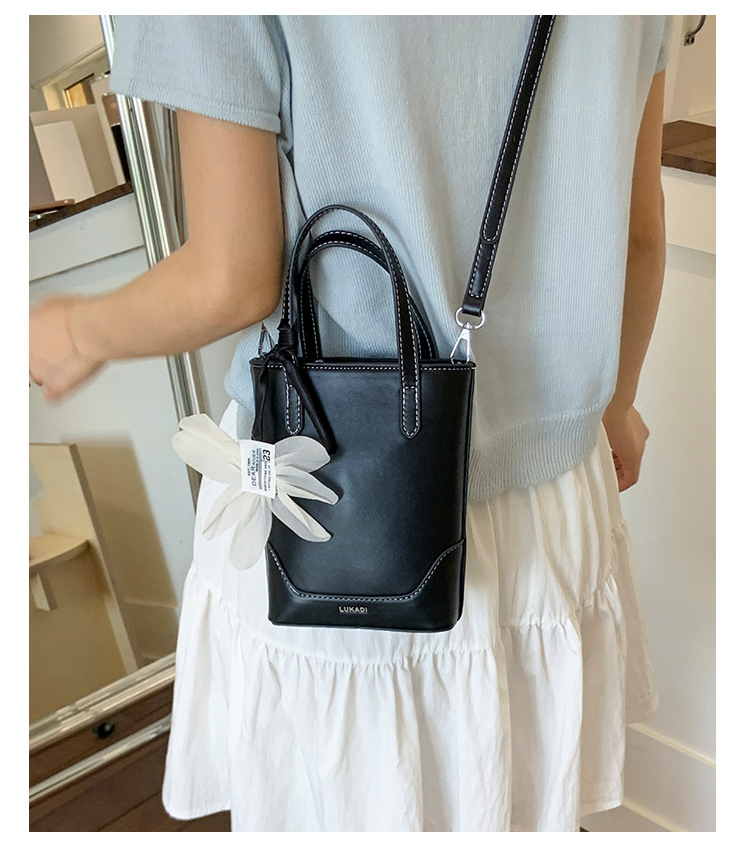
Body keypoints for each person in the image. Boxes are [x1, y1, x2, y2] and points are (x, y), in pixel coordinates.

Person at [29, 15, 673, 832]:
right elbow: (639, 231)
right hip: (550, 503)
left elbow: (232, 277)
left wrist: (72, 330)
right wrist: (617, 404)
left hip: (340, 503)